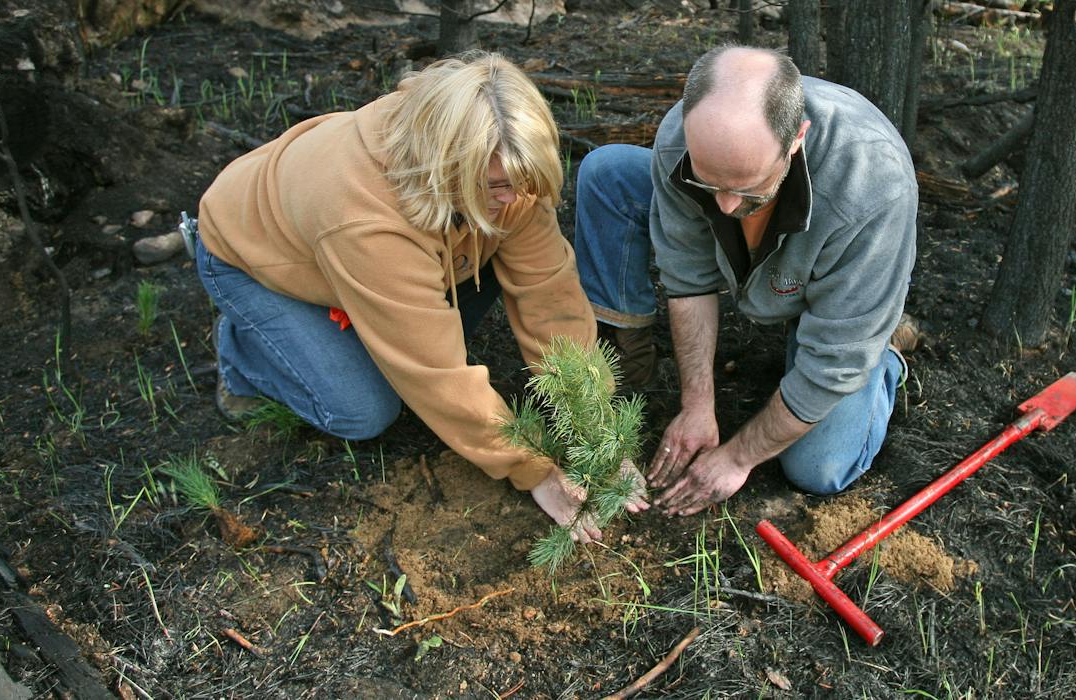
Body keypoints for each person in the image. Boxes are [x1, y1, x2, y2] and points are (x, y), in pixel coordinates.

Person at [188, 52, 646, 539]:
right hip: (252, 258)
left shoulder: (502, 162)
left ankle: (357, 324)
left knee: (431, 310)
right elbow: (435, 374)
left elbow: (549, 295)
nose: (513, 200)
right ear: (448, 164)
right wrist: (532, 470)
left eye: (522, 185)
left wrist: (596, 429)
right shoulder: (366, 219)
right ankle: (244, 347)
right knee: (363, 410)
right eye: (496, 187)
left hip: (388, 254)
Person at [574, 45, 917, 516]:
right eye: (709, 184)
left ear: (796, 139)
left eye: (745, 188)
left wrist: (737, 458)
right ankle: (622, 350)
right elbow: (688, 276)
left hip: (824, 280)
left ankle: (880, 350)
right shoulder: (684, 136)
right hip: (759, 267)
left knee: (818, 469)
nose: (725, 207)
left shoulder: (873, 187)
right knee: (609, 171)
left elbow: (828, 369)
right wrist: (697, 406)